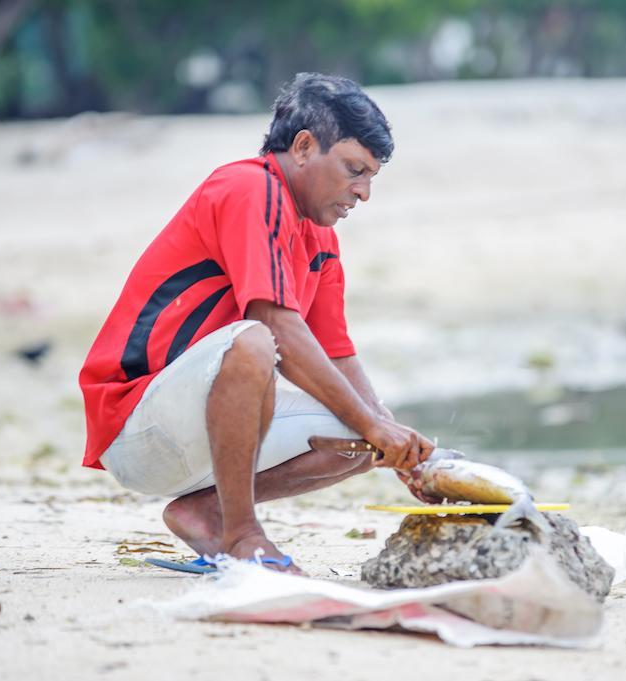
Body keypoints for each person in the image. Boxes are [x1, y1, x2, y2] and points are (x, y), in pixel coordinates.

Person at [78, 73, 434, 574]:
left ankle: (208, 511)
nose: (364, 192)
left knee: (361, 434)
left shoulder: (321, 239)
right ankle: (241, 536)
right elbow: (274, 326)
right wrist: (374, 421)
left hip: (201, 427)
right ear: (305, 146)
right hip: (137, 425)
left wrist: (392, 437)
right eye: (355, 170)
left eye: (372, 177)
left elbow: (336, 354)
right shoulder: (249, 186)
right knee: (256, 341)